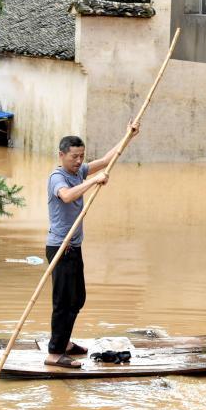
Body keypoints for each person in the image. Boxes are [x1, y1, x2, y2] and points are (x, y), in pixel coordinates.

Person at [44, 123, 139, 368]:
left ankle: (64, 343)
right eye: (74, 157)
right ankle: (55, 353)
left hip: (74, 247)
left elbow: (108, 159)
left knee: (77, 298)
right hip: (60, 248)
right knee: (63, 301)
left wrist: (128, 135)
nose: (78, 161)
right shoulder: (58, 177)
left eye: (82, 157)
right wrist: (94, 181)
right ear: (61, 155)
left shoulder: (79, 172)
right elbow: (67, 196)